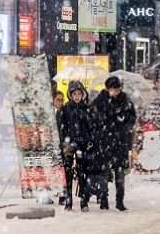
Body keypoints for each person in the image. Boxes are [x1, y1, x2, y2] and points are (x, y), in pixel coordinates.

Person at [90, 76, 137, 212]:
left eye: (117, 90)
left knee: (120, 172)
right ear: (106, 89)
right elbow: (93, 118)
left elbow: (132, 117)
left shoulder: (125, 100)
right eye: (112, 90)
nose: (115, 93)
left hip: (120, 141)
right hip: (104, 141)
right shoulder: (100, 100)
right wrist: (103, 119)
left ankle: (120, 201)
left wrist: (125, 122)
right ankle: (103, 199)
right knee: (104, 172)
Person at [56, 81, 94, 211]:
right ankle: (68, 201)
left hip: (82, 144)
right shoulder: (64, 109)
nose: (77, 96)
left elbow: (91, 127)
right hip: (67, 145)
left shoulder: (87, 109)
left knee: (82, 172)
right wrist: (65, 144)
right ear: (70, 95)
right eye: (74, 94)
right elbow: (61, 128)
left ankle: (84, 202)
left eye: (79, 93)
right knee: (67, 173)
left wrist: (90, 141)